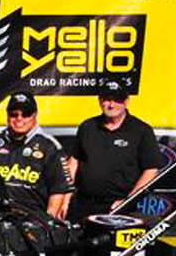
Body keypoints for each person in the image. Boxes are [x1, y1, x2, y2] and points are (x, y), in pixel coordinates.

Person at [63, 82, 163, 221]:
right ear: (100, 101)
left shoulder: (141, 131)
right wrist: (65, 196)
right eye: (107, 99)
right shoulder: (87, 127)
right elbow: (74, 161)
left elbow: (151, 170)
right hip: (82, 204)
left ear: (126, 102)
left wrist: (128, 201)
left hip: (119, 208)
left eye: (117, 100)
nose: (111, 104)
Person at [0, 91, 74, 218]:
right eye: (14, 114)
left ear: (35, 115)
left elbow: (58, 189)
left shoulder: (49, 146)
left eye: (25, 114)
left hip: (34, 219)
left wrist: (48, 221)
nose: (19, 119)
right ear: (7, 115)